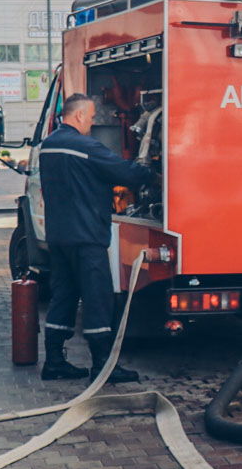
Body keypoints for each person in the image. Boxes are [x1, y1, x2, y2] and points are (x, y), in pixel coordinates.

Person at [39, 93, 155, 383]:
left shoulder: (48, 145)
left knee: (63, 296)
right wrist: (152, 172)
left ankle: (53, 361)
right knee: (97, 298)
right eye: (91, 117)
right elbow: (125, 173)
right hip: (87, 235)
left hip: (59, 236)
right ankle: (104, 367)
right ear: (78, 116)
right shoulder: (84, 146)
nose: (92, 122)